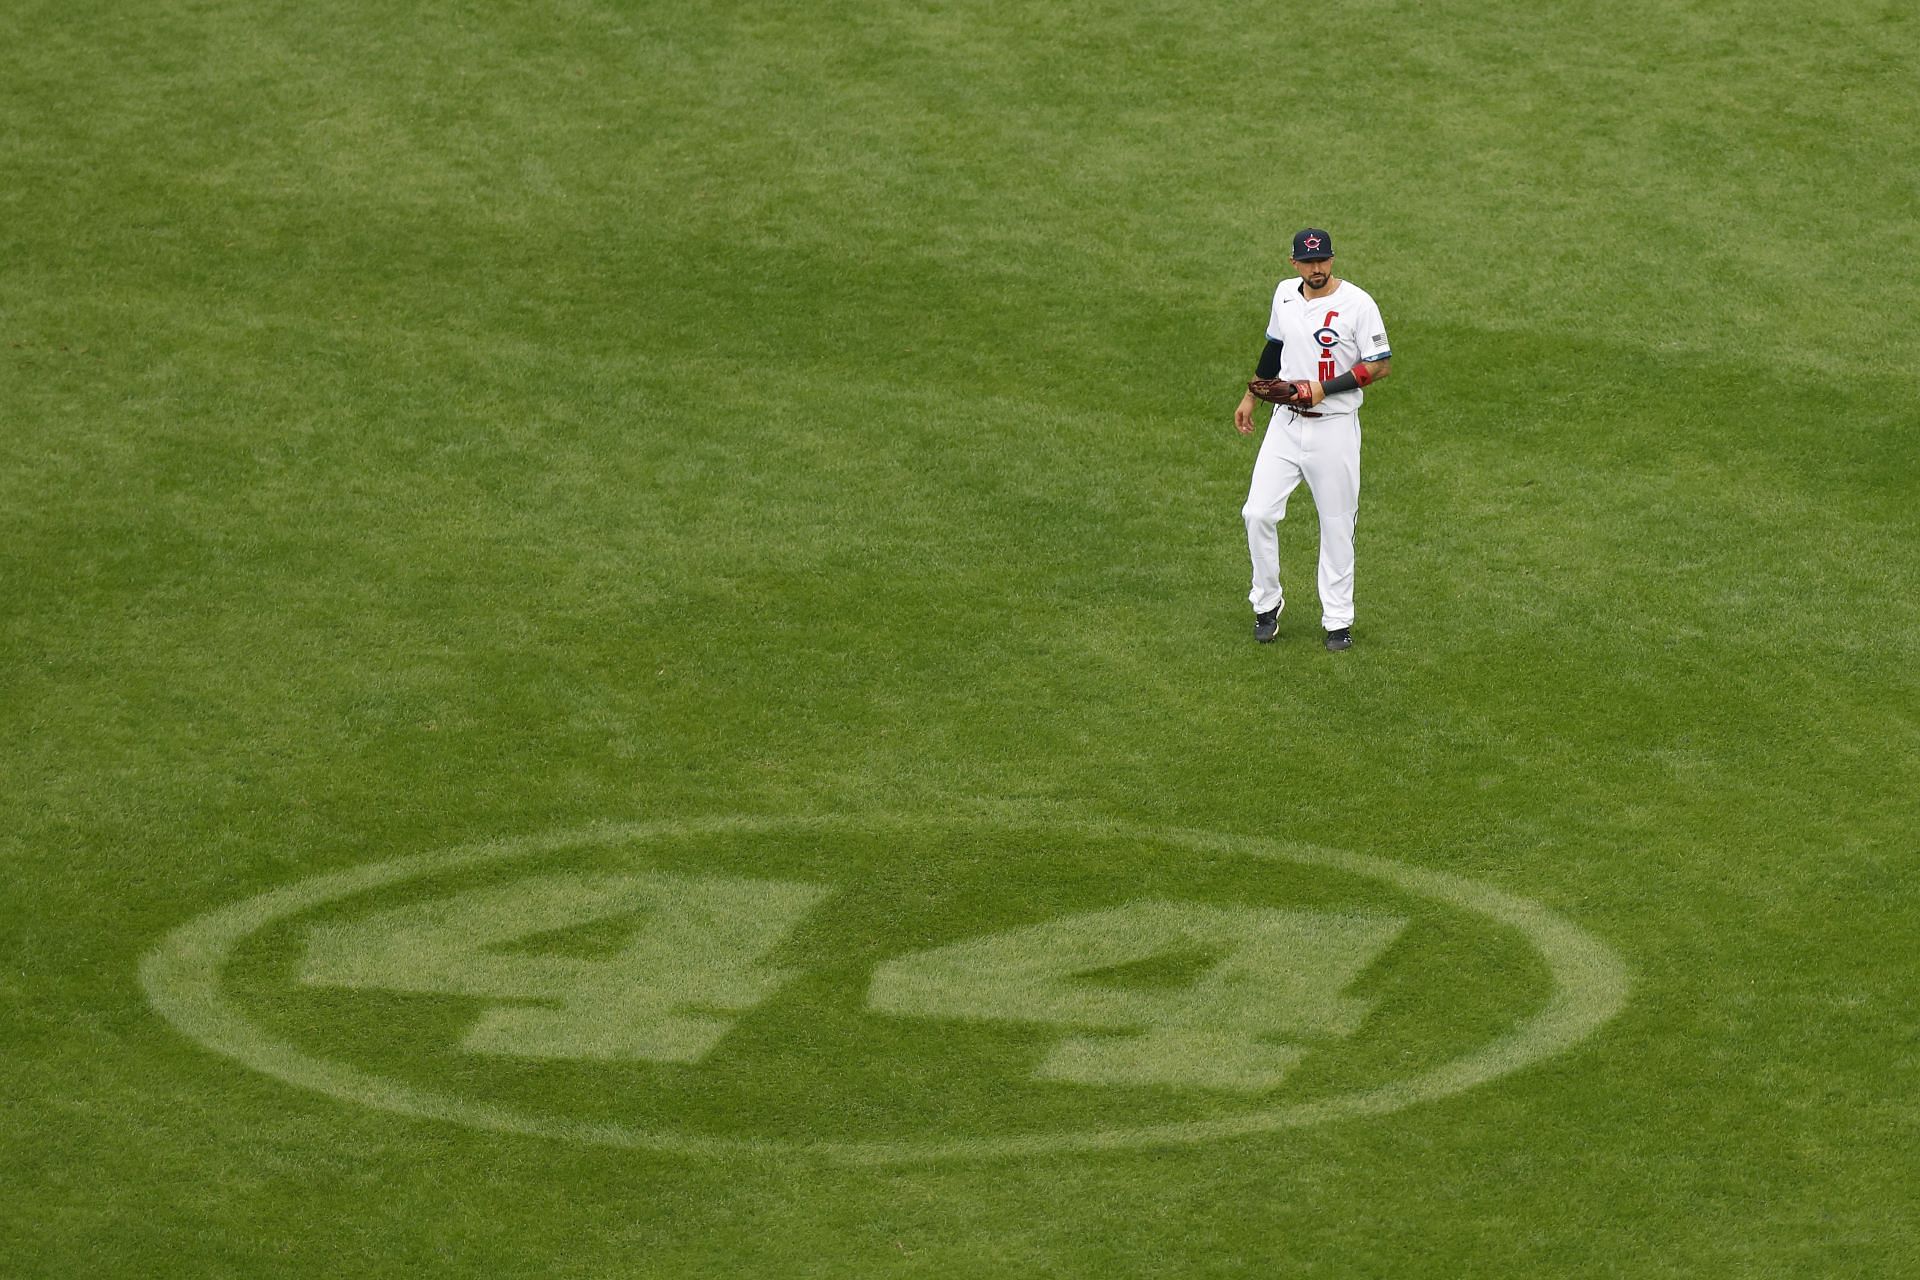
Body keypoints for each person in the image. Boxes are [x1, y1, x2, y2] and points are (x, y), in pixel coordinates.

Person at [1234, 227, 1393, 652]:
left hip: (1334, 428)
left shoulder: (1358, 304)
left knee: (1337, 524)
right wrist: (1252, 393)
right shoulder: (1284, 293)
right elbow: (1274, 347)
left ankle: (1338, 621)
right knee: (1257, 513)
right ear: (1294, 265)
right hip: (1285, 424)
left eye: (1322, 260)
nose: (1316, 268)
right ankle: (1266, 604)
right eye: (1308, 262)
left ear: (1332, 259)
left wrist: (1324, 387)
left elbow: (1379, 365)